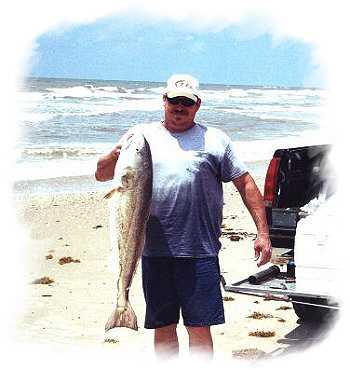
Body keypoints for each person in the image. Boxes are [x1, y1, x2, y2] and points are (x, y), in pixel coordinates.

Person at [95, 74, 272, 360]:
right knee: (163, 328)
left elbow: (246, 183)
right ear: (163, 101)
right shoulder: (139, 137)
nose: (180, 107)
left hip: (199, 251)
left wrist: (262, 233)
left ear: (197, 104)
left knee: (199, 328)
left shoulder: (215, 139)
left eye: (186, 102)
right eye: (174, 100)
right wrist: (115, 154)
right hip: (153, 251)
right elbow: (102, 174)